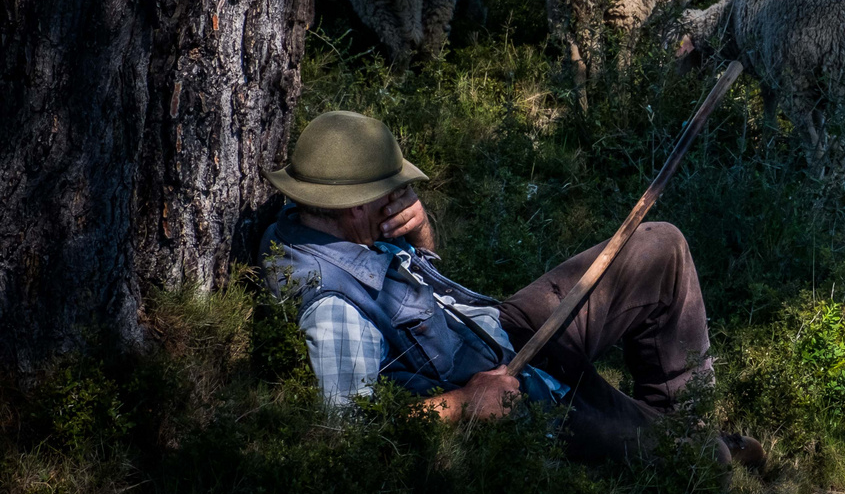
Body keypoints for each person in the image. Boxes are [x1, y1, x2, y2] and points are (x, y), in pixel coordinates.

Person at [259, 110, 761, 466]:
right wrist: (462, 405)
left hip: (505, 330)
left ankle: (685, 419)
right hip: (517, 393)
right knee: (696, 460)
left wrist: (420, 235)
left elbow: (417, 291)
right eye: (393, 191)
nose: (404, 197)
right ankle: (699, 456)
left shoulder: (313, 224)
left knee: (661, 246)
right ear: (354, 205)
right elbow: (349, 435)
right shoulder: (333, 308)